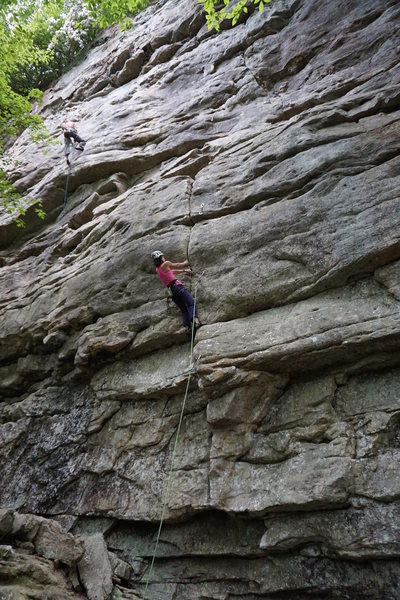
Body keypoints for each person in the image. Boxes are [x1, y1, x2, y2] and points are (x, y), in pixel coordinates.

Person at [152, 250, 203, 335]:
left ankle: (188, 329)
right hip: (177, 286)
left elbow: (171, 272)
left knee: (184, 310)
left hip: (171, 292)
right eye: (162, 256)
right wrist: (185, 263)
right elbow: (176, 265)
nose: (164, 258)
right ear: (160, 258)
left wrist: (184, 271)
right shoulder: (166, 264)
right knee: (191, 303)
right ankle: (196, 323)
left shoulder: (158, 269)